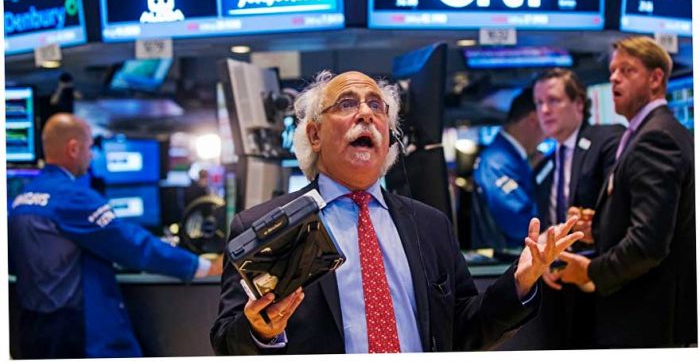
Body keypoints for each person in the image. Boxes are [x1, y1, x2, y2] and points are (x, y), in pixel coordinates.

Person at [210, 70, 582, 354]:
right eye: (346, 104)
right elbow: (226, 342)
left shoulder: (430, 225)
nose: (365, 114)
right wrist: (260, 330)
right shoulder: (263, 227)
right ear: (314, 135)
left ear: (389, 134)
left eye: (376, 106)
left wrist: (519, 282)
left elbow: (463, 329)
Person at [7, 113, 223, 359]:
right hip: (78, 334)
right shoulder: (73, 198)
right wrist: (200, 266)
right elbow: (132, 245)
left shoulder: (21, 200)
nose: (92, 155)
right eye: (90, 147)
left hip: (32, 332)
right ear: (74, 149)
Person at [557, 36, 696, 348]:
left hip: (650, 322)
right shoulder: (651, 132)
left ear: (656, 78)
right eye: (612, 71)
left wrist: (590, 271)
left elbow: (649, 243)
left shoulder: (656, 139)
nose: (614, 78)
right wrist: (598, 227)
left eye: (627, 70)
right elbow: (652, 219)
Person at [526, 68, 623, 348]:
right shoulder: (543, 168)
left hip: (602, 284)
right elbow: (546, 223)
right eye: (539, 103)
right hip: (560, 288)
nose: (545, 110)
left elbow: (619, 207)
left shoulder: (607, 140)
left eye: (554, 100)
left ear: (579, 103)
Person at [471, 87, 545, 249]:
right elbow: (519, 224)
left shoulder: (513, 159)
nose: (547, 135)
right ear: (533, 119)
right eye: (546, 122)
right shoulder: (496, 162)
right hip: (508, 258)